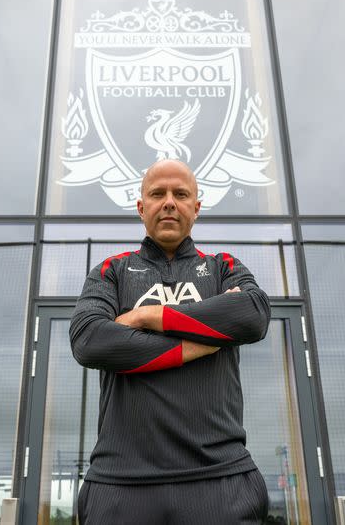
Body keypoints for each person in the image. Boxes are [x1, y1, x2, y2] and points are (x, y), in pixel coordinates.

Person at [70, 160, 271, 524]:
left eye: (180, 194)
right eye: (157, 193)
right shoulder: (110, 271)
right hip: (120, 486)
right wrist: (193, 345)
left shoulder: (222, 266)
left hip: (220, 480)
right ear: (141, 206)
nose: (168, 202)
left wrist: (150, 317)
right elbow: (89, 339)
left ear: (196, 207)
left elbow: (253, 314)